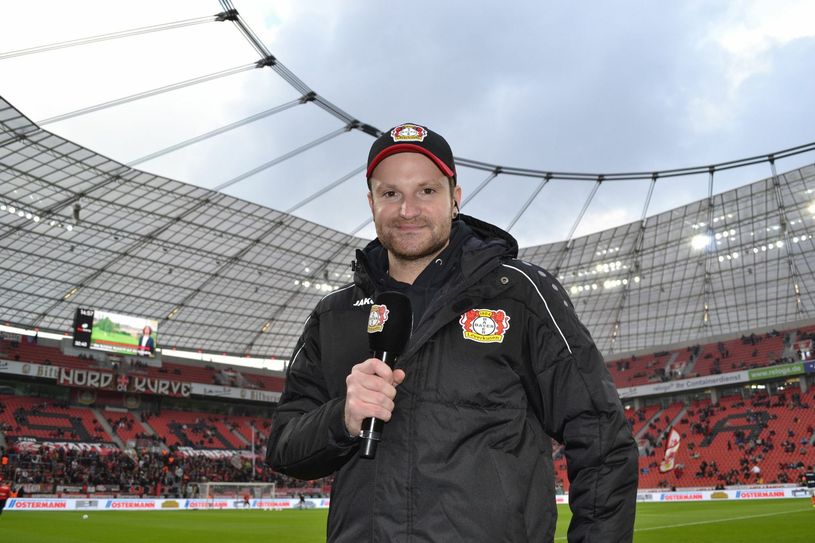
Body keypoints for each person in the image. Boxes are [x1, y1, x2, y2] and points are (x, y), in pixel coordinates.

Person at [267, 123, 638, 542]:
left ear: (454, 199)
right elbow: (284, 447)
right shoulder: (334, 314)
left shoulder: (518, 295)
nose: (408, 210)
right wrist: (343, 418)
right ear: (371, 203)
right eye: (391, 194)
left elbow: (602, 438)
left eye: (426, 191)